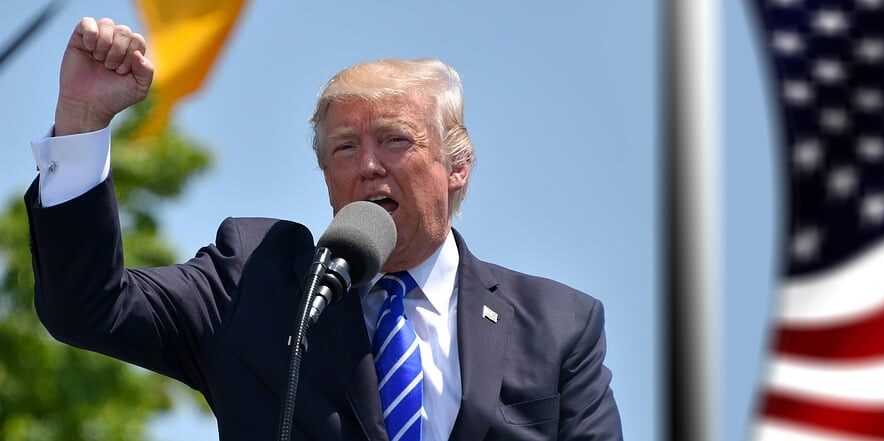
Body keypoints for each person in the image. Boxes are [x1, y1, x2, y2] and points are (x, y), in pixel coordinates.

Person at [27, 17, 622, 441]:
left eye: (394, 140)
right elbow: (88, 307)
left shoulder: (557, 324)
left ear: (458, 165)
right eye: (344, 148)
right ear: (327, 177)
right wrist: (81, 122)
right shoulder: (254, 278)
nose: (369, 165)